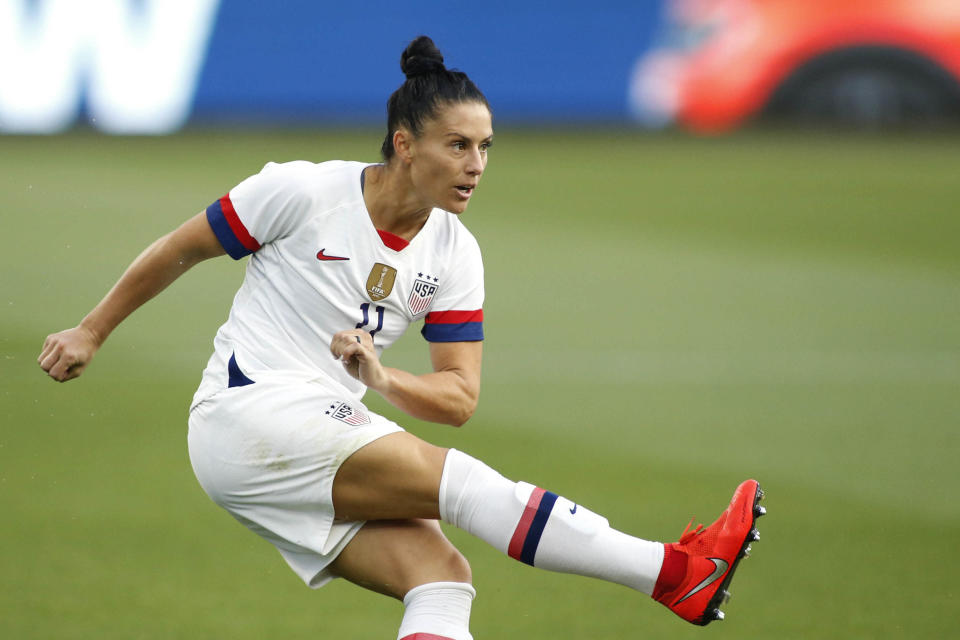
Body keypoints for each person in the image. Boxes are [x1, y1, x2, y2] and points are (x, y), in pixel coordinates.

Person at [38, 35, 765, 638]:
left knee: (441, 578)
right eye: (458, 145)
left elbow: (457, 396)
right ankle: (675, 573)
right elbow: (180, 248)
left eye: (485, 147)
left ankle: (680, 577)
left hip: (313, 431)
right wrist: (92, 330)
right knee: (468, 485)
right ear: (405, 144)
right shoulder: (302, 191)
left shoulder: (454, 253)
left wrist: (383, 379)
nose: (476, 165)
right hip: (249, 412)